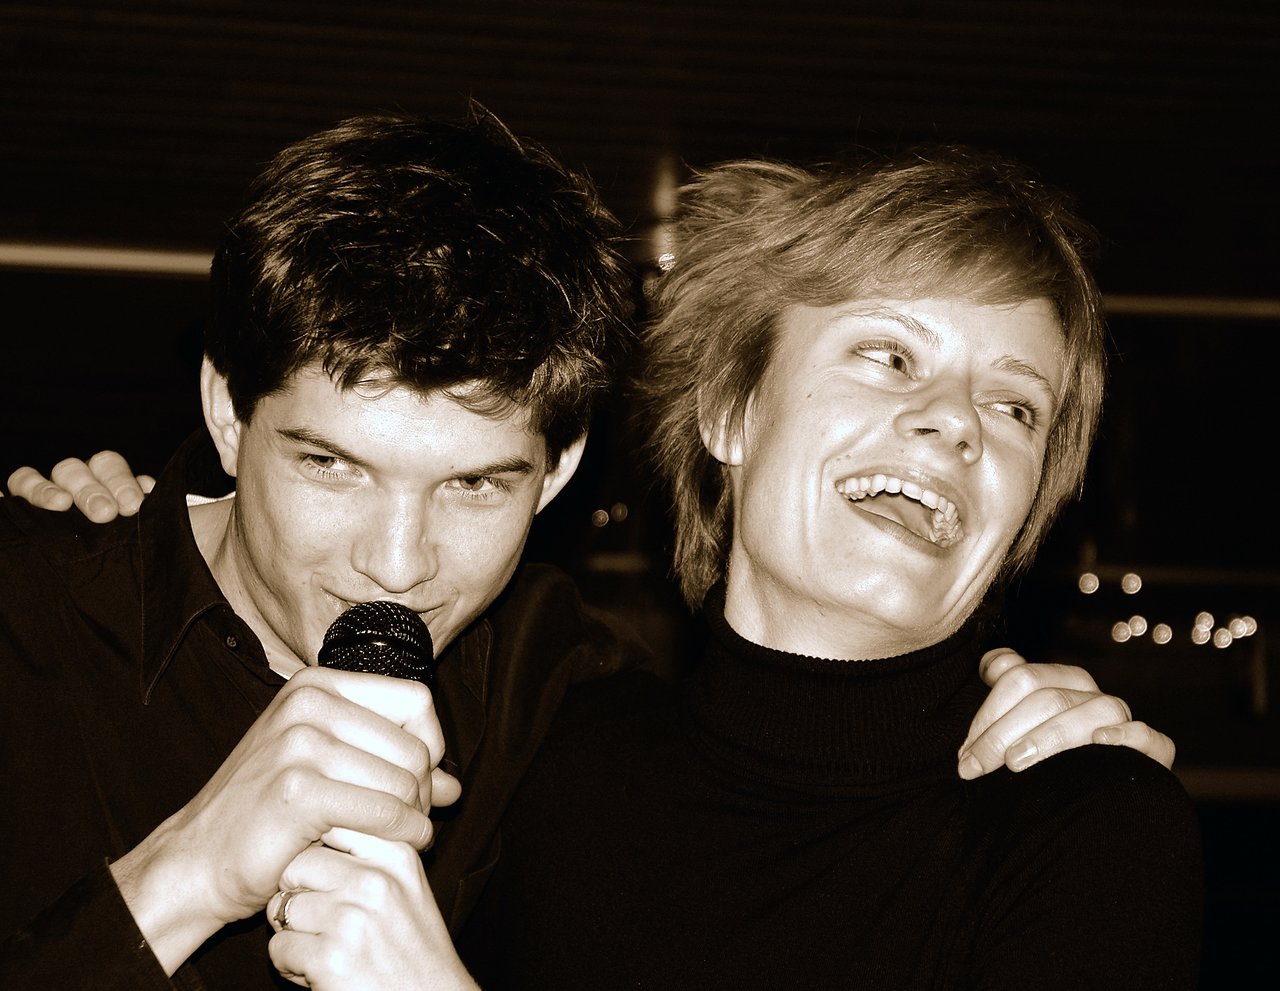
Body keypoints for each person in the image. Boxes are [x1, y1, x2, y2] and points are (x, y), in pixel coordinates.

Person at [1, 114, 1178, 990]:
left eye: (474, 483)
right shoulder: (31, 615)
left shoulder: (546, 701)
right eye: (331, 465)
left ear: (557, 471)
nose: (396, 567)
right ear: (225, 413)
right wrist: (185, 871)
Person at [456, 149, 1204, 988]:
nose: (958, 421)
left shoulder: (1083, 830)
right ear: (730, 411)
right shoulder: (530, 765)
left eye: (1014, 406)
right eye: (890, 356)